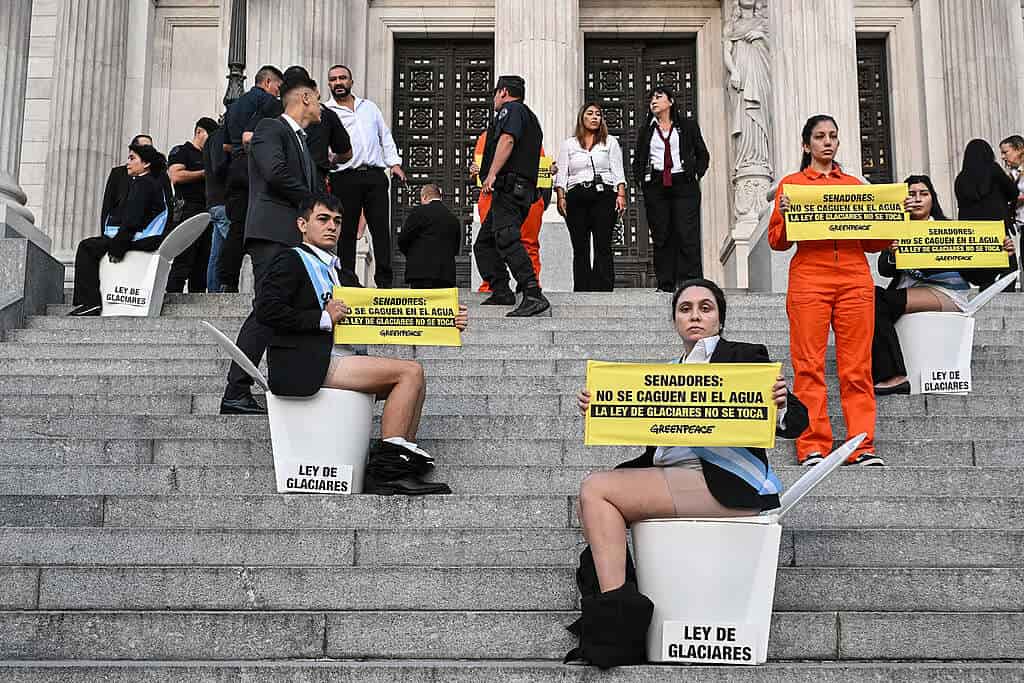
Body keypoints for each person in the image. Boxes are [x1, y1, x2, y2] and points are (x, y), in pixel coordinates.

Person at [567, 280, 807, 664]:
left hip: (729, 483)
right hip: (678, 477)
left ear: (720, 319)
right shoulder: (667, 374)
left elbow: (797, 422)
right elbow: (639, 425)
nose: (695, 315)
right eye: (685, 308)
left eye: (705, 308)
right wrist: (600, 405)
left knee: (597, 489)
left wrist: (780, 405)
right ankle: (620, 610)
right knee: (593, 496)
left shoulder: (743, 357)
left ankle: (617, 628)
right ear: (675, 320)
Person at [256, 192, 466, 494]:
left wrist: (445, 319)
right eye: (323, 219)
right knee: (409, 373)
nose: (332, 227)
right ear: (302, 224)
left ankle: (400, 466)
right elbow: (266, 310)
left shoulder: (343, 273)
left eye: (337, 221)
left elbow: (385, 312)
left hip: (340, 359)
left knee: (415, 377)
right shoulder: (289, 260)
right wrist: (322, 318)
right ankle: (386, 472)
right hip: (308, 361)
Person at [769, 114, 888, 466]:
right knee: (808, 365)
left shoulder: (854, 185)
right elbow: (777, 241)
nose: (828, 142)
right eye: (820, 136)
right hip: (810, 279)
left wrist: (891, 218)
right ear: (806, 145)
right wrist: (785, 214)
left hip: (854, 279)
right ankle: (812, 444)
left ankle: (861, 445)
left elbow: (873, 243)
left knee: (858, 367)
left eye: (833, 136)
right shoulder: (792, 185)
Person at [220, 75, 320, 415]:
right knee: (267, 308)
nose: (321, 107)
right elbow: (275, 172)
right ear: (305, 98)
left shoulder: (302, 141)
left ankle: (272, 384)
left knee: (278, 309)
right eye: (318, 99)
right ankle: (236, 390)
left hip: (291, 237)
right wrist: (313, 203)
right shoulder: (270, 128)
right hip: (272, 233)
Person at [873, 175, 1016, 394]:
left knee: (876, 300)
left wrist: (1000, 252)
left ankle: (893, 376)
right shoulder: (897, 229)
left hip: (947, 293)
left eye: (924, 194)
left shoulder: (949, 229)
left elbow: (977, 276)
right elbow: (884, 269)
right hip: (909, 292)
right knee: (870, 298)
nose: (917, 199)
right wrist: (893, 252)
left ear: (933, 199)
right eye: (911, 194)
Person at [473, 75, 550, 317]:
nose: (494, 99)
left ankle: (532, 292)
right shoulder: (528, 115)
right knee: (484, 244)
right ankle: (502, 290)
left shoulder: (513, 110)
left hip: (511, 188)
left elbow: (507, 140)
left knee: (507, 238)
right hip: (511, 190)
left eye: (495, 93)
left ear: (503, 92)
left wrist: (491, 174)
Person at [70, 143, 174, 316]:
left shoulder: (143, 183)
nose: (128, 163)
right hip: (148, 238)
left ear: (146, 163)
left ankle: (90, 303)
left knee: (86, 248)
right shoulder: (152, 183)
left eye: (132, 158)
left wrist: (118, 246)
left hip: (141, 239)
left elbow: (133, 219)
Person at [324, 64, 404, 288]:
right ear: (329, 84)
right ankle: (348, 280)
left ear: (351, 81)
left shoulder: (369, 107)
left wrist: (394, 163)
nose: (338, 83)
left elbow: (385, 136)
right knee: (346, 231)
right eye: (333, 79)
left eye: (342, 78)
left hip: (374, 176)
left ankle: (385, 281)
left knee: (381, 229)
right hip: (344, 177)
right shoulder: (326, 112)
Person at [633, 85, 710, 291]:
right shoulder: (646, 130)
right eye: (651, 99)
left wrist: (695, 173)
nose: (654, 101)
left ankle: (690, 282)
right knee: (662, 235)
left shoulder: (687, 126)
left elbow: (702, 154)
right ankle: (665, 283)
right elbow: (638, 159)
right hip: (657, 185)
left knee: (687, 233)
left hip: (684, 184)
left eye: (659, 97)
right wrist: (642, 182)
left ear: (671, 101)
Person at [219, 65, 284, 293]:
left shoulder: (234, 107)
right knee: (264, 223)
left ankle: (227, 280)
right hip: (256, 166)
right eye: (277, 87)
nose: (278, 92)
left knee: (237, 226)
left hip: (236, 166)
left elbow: (225, 145)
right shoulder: (269, 103)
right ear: (267, 82)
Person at [554, 102, 626, 291]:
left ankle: (603, 287)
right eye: (590, 113)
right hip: (576, 196)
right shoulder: (569, 144)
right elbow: (562, 173)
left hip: (604, 194)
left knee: (603, 243)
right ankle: (582, 288)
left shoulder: (610, 142)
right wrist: (561, 197)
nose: (595, 117)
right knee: (580, 245)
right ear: (582, 117)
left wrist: (621, 194)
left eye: (598, 114)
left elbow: (617, 170)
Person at [470, 132, 547, 291]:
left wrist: (547, 170)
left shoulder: (528, 135)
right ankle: (495, 286)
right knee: (491, 241)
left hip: (522, 194)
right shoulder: (486, 136)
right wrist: (475, 170)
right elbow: (478, 169)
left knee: (527, 242)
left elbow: (540, 166)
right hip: (492, 195)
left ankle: (530, 287)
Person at [263, 65, 354, 190]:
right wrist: (331, 161)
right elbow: (346, 154)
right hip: (306, 183)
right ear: (307, 95)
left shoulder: (270, 109)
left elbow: (248, 138)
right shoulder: (327, 114)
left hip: (289, 182)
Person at [955, 138, 1019, 291]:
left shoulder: (960, 178)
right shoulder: (993, 170)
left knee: (984, 271)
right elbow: (1013, 193)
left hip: (974, 232)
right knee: (1009, 267)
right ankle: (1005, 297)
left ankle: (987, 295)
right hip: (996, 227)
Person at [166, 117, 219, 293]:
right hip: (188, 210)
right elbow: (176, 176)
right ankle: (173, 296)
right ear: (198, 132)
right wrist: (204, 173)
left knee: (203, 262)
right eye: (209, 137)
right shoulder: (182, 151)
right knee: (183, 258)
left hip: (207, 211)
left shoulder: (209, 155)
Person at [397, 183, 461, 288]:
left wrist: (412, 255)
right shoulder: (453, 218)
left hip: (420, 273)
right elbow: (455, 248)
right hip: (445, 275)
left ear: (424, 197)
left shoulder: (418, 212)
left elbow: (403, 239)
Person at [100, 134, 152, 229]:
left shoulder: (157, 175)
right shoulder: (118, 173)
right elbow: (107, 206)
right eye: (145, 147)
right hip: (116, 230)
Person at [203, 118, 230, 293]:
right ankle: (218, 291)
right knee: (233, 247)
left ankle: (214, 291)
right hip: (222, 201)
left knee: (217, 251)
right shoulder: (219, 137)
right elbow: (219, 167)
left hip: (216, 202)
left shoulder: (213, 139)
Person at [999, 135, 1024, 245]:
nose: (1002, 157)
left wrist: (1016, 198)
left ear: (1019, 150)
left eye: (1005, 152)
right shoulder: (1014, 173)